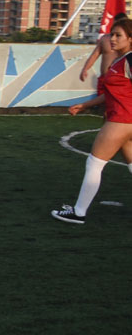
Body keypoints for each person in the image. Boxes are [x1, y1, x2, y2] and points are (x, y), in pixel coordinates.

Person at [51, 17, 132, 225]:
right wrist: (86, 105)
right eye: (112, 34)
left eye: (118, 36)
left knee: (94, 163)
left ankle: (78, 212)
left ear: (130, 39)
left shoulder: (129, 60)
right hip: (123, 120)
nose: (112, 39)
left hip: (121, 121)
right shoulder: (120, 60)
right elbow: (113, 93)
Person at [79, 13, 127, 82]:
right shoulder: (104, 39)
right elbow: (94, 55)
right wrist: (85, 69)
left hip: (122, 81)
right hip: (104, 79)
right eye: (116, 24)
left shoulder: (129, 41)